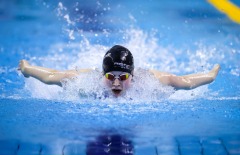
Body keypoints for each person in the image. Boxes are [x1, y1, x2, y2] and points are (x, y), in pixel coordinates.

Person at [18, 45, 220, 97]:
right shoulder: (87, 82)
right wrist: (28, 69)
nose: (116, 83)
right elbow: (53, 76)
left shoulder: (148, 82)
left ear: (131, 76)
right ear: (102, 75)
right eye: (110, 77)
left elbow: (183, 82)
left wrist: (209, 76)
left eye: (123, 77)